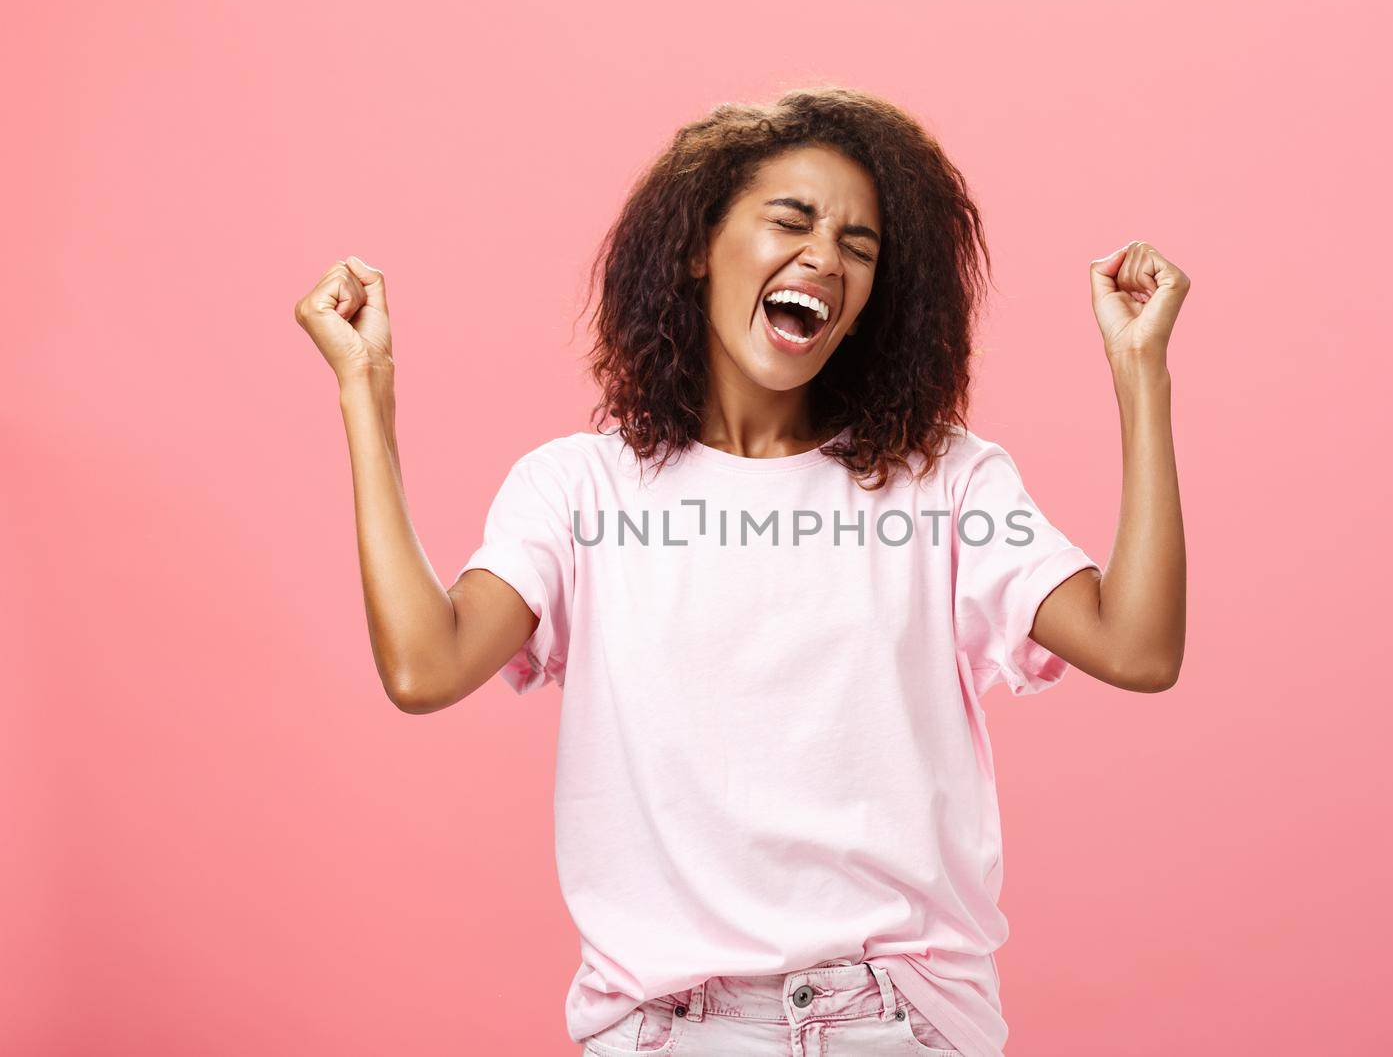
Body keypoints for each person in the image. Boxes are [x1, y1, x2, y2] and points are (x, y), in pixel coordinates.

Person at [293, 86, 1189, 1057]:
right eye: (792, 220)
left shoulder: (944, 480)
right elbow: (426, 665)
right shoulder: (579, 488)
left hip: (896, 1019)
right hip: (666, 1029)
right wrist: (364, 393)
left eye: (859, 245)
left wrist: (1142, 377)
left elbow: (1136, 645)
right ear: (697, 245)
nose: (825, 257)